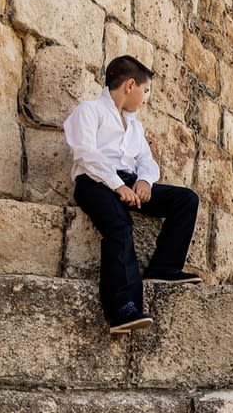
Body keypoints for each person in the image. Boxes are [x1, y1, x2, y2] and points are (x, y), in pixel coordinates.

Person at [64, 55, 201, 334]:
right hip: (95, 182)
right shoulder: (89, 111)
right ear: (130, 85)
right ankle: (122, 310)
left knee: (186, 200)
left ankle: (163, 268)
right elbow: (86, 154)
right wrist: (117, 185)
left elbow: (146, 161)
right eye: (146, 90)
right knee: (119, 226)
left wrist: (145, 181)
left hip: (128, 182)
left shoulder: (134, 125)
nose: (146, 98)